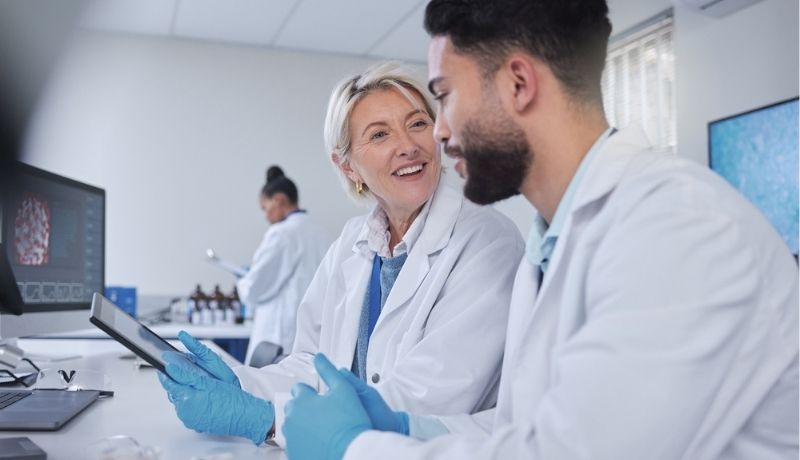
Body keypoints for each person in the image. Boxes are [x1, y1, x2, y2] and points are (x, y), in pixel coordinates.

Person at [280, 1, 800, 459]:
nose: (436, 132)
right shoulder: (555, 243)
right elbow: (528, 430)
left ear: (518, 84)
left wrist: (351, 449)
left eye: (444, 96)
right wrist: (407, 427)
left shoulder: (677, 230)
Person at [158, 61, 525, 447]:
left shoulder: (486, 241)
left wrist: (269, 419)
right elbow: (311, 366)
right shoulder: (352, 243)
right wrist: (242, 383)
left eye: (418, 124)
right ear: (348, 166)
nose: (408, 146)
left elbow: (422, 400)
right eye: (380, 134)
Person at [236, 165, 331, 364]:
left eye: (265, 207)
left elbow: (256, 288)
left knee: (268, 390)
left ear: (279, 199)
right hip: (311, 335)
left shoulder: (281, 233)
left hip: (277, 336)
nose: (265, 214)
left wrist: (243, 282)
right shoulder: (319, 231)